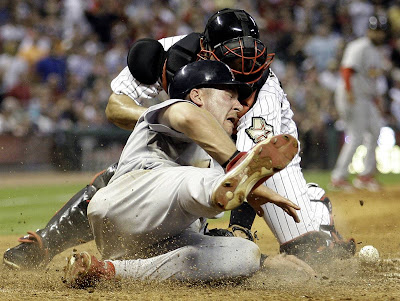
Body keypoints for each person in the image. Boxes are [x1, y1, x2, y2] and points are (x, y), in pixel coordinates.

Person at [3, 8, 354, 270]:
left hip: (264, 152)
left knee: (308, 249)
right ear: (206, 52)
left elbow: (253, 163)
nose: (245, 66)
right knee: (128, 173)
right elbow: (115, 105)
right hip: (191, 151)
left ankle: (313, 207)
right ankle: (45, 242)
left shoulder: (264, 90)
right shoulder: (173, 55)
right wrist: (161, 117)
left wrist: (240, 228)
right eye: (233, 56)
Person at [64, 60, 311, 287]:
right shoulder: (175, 108)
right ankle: (231, 184)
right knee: (195, 181)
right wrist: (238, 164)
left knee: (245, 254)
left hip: (146, 242)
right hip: (126, 202)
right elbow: (187, 116)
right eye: (229, 95)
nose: (238, 106)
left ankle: (108, 271)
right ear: (197, 95)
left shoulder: (217, 157)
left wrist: (266, 263)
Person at [329, 15, 387, 192]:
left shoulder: (376, 51)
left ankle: (365, 176)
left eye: (380, 31)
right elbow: (346, 70)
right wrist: (349, 94)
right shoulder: (359, 46)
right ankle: (338, 177)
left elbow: (371, 79)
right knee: (356, 136)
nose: (378, 35)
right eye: (375, 31)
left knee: (376, 130)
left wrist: (376, 100)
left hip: (365, 97)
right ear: (369, 31)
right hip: (352, 94)